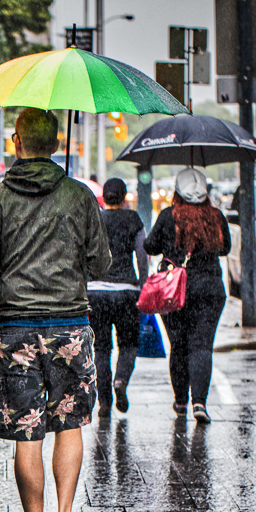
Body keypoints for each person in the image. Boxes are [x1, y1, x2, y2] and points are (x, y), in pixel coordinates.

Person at [0, 107, 111, 512]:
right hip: (69, 327)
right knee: (69, 424)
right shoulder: (80, 197)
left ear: (17, 141)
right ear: (57, 142)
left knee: (27, 433)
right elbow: (100, 264)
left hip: (16, 329)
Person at [144, 167, 231, 424]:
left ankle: (180, 400)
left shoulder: (168, 216)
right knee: (202, 345)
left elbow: (151, 245)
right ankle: (199, 402)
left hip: (173, 290)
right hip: (209, 289)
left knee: (178, 346)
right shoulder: (215, 216)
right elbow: (225, 248)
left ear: (177, 192)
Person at [87, 177, 147, 416]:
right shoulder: (133, 219)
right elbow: (142, 254)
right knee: (129, 344)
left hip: (96, 292)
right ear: (124, 197)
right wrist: (142, 285)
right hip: (126, 291)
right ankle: (121, 380)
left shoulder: (96, 220)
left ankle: (104, 403)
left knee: (101, 348)